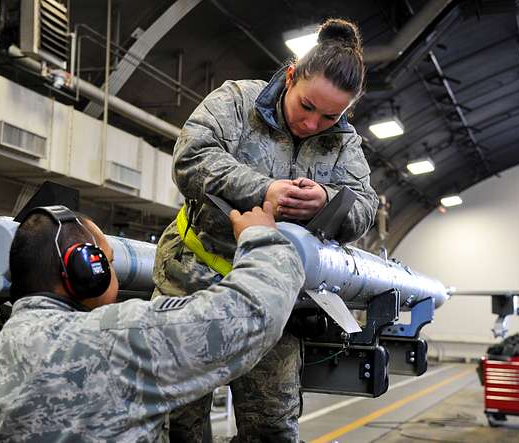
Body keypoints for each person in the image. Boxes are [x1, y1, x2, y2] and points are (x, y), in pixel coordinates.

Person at [153, 18, 379, 442]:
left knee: (272, 426)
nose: (313, 124)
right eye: (307, 106)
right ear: (291, 77)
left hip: (275, 301)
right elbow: (190, 158)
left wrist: (327, 201)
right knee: (177, 422)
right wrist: (263, 189)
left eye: (331, 116)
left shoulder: (345, 143)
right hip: (193, 282)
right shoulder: (236, 103)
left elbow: (365, 206)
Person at [0, 203, 305, 442]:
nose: (116, 276)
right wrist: (262, 239)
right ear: (82, 270)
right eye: (108, 263)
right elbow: (249, 315)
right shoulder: (112, 341)